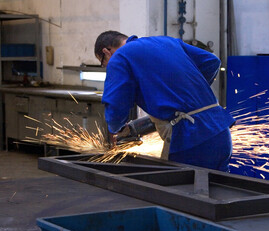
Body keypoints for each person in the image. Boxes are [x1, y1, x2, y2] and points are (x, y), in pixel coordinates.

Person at [94, 30, 235, 171]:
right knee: (221, 190)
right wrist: (189, 92)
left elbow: (116, 103)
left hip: (189, 138)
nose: (107, 67)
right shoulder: (167, 41)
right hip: (221, 131)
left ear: (106, 52)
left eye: (103, 63)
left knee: (178, 190)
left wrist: (117, 129)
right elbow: (212, 61)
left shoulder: (119, 57)